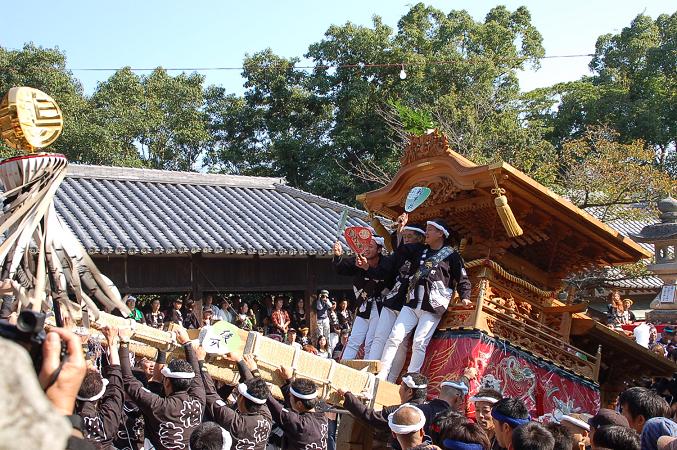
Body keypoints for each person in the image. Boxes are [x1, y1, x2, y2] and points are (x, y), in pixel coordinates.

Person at [365, 219, 471, 380]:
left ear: (440, 233)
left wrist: (465, 297)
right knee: (395, 336)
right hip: (412, 302)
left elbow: (462, 278)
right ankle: (382, 374)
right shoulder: (419, 250)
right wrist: (400, 231)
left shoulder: (452, 256)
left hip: (432, 305)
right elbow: (400, 249)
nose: (426, 233)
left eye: (429, 230)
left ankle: (411, 380)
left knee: (419, 342)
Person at [118, 327, 206, 450]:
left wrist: (123, 342)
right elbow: (196, 375)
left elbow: (128, 380)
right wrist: (187, 343)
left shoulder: (159, 405)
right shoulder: (199, 401)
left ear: (167, 382)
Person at [367, 216, 425, 377]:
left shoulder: (422, 252)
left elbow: (403, 250)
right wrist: (367, 267)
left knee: (400, 343)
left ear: (420, 238)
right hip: (393, 298)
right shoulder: (400, 252)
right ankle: (370, 373)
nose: (405, 240)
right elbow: (387, 269)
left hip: (409, 301)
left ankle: (390, 379)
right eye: (404, 237)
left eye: (409, 236)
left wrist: (399, 232)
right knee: (380, 337)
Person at [332, 233, 388, 360]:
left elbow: (383, 275)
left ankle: (369, 371)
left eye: (371, 246)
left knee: (370, 342)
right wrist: (338, 255)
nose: (366, 249)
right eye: (365, 246)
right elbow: (341, 268)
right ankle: (344, 367)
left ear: (379, 249)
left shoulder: (386, 263)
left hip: (380, 307)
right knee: (353, 340)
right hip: (363, 306)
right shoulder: (358, 260)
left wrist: (366, 267)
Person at [202, 352, 272, 450]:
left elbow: (210, 394)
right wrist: (240, 361)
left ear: (241, 398)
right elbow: (259, 391)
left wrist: (200, 361)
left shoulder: (234, 421)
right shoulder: (267, 419)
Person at [75, 326, 124, 449]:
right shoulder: (108, 421)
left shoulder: (66, 414)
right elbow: (116, 384)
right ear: (101, 394)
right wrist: (112, 343)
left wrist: (75, 344)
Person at [265, 365, 328, 450]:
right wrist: (289, 380)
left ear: (299, 404)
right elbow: (295, 406)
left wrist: (254, 371)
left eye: (291, 396)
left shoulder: (298, 423)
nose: (289, 396)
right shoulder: (322, 418)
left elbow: (271, 403)